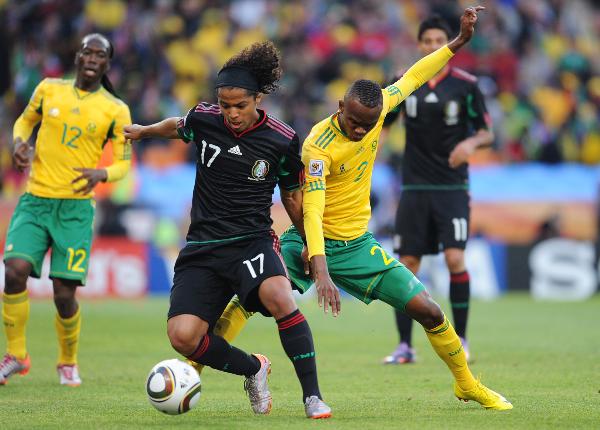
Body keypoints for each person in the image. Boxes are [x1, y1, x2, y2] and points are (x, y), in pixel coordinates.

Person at [208, 6, 512, 411]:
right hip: (308, 242)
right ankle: (194, 364)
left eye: (367, 125)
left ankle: (467, 384)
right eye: (353, 122)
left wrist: (457, 42)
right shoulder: (318, 144)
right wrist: (318, 265)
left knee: (429, 309)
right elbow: (311, 210)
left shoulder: (380, 107)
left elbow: (415, 75)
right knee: (250, 299)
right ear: (340, 106)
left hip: (355, 246)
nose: (360, 130)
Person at [123, 41, 331, 419]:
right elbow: (176, 126)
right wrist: (144, 131)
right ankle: (254, 368)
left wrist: (305, 241)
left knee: (280, 297)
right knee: (183, 336)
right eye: (225, 106)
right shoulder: (204, 119)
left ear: (257, 99)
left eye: (240, 105)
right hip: (202, 246)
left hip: (251, 241)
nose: (231, 114)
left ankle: (313, 397)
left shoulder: (282, 140)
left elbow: (294, 199)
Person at [1, 34, 132, 386]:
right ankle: (17, 355)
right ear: (77, 57)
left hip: (75, 210)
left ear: (106, 64)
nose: (92, 58)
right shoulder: (48, 89)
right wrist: (19, 143)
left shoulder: (115, 110)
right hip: (35, 200)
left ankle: (68, 360)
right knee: (14, 271)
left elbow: (123, 163)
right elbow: (24, 122)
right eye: (87, 52)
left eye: (99, 54)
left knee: (63, 293)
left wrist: (102, 173)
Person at [381, 15, 494, 365]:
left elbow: (488, 132)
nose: (432, 46)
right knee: (407, 264)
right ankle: (405, 345)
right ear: (419, 45)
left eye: (438, 41)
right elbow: (381, 125)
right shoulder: (404, 83)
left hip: (451, 187)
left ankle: (461, 339)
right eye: (426, 41)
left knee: (455, 258)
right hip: (413, 187)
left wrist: (471, 144)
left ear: (449, 45)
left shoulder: (466, 85)